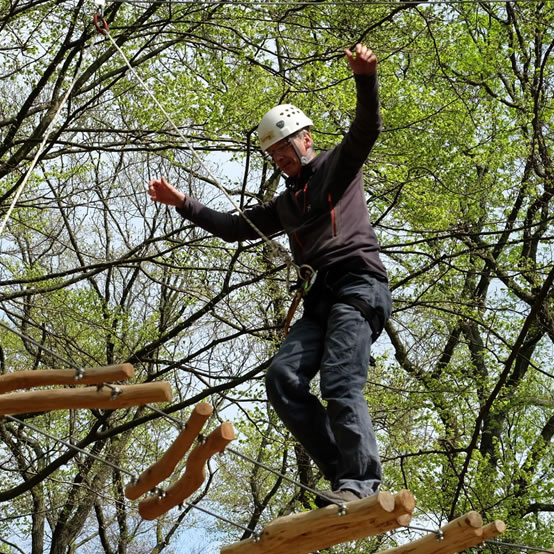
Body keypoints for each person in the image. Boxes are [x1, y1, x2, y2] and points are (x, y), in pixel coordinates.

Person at [148, 44, 391, 507]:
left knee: (340, 380)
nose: (280, 158)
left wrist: (365, 78)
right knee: (282, 380)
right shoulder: (288, 204)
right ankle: (344, 477)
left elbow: (366, 130)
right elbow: (234, 228)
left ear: (306, 139)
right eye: (273, 155)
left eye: (285, 148)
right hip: (323, 297)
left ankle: (361, 481)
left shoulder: (336, 170)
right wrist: (183, 203)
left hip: (359, 283)